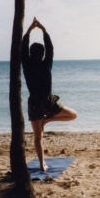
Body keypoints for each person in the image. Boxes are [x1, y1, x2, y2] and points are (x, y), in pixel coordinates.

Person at [21, 18, 77, 171]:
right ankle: (47, 121)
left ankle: (42, 164)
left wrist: (29, 31)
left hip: (34, 103)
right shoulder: (46, 64)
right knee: (73, 115)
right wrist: (43, 29)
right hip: (47, 102)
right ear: (43, 54)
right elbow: (51, 48)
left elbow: (23, 48)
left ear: (31, 54)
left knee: (38, 137)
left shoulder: (26, 65)